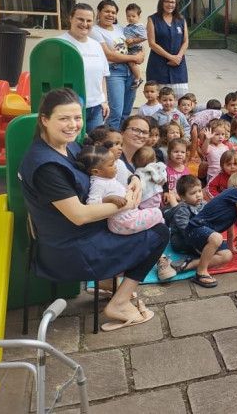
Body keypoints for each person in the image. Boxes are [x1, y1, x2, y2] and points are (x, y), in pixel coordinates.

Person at [19, 89, 169, 331]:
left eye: (77, 118)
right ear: (44, 119)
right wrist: (126, 203)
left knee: (140, 224)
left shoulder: (69, 147)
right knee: (160, 232)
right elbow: (78, 216)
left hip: (81, 236)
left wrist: (134, 179)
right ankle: (119, 303)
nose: (73, 125)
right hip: (72, 250)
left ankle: (111, 284)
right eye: (64, 118)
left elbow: (106, 165)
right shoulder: (46, 166)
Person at [78, 145, 164, 235]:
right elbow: (91, 204)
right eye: (111, 165)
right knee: (157, 212)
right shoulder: (98, 184)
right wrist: (109, 199)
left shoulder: (106, 177)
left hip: (128, 216)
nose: (115, 166)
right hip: (123, 222)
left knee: (153, 212)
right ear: (96, 172)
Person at [89, 0, 143, 129]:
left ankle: (121, 141)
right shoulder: (95, 31)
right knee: (116, 112)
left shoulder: (121, 29)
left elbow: (134, 43)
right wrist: (134, 57)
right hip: (114, 71)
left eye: (113, 12)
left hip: (130, 70)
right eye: (107, 11)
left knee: (126, 111)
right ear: (99, 12)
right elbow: (109, 55)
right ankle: (111, 142)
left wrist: (141, 54)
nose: (110, 15)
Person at [59, 3, 110, 130]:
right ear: (70, 18)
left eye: (89, 20)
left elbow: (103, 75)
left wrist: (104, 101)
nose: (85, 24)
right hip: (70, 109)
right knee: (73, 147)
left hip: (96, 108)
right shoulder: (60, 44)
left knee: (95, 147)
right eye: (80, 19)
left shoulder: (96, 45)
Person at [146, 0, 189, 99]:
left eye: (173, 2)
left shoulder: (181, 19)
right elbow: (152, 43)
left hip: (178, 66)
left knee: (181, 100)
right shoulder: (152, 19)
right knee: (159, 100)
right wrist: (170, 57)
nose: (170, 4)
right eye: (167, 1)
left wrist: (178, 57)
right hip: (158, 67)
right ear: (161, 3)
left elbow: (185, 41)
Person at [116, 115, 152, 185]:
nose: (140, 135)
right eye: (136, 130)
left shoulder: (144, 159)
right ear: (122, 132)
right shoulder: (113, 159)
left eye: (145, 132)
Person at [123, 3, 147, 90]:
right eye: (128, 16)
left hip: (135, 48)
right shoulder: (128, 27)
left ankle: (138, 78)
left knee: (131, 63)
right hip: (129, 48)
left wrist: (133, 40)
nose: (130, 18)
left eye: (133, 16)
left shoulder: (139, 26)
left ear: (139, 16)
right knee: (129, 63)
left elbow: (144, 37)